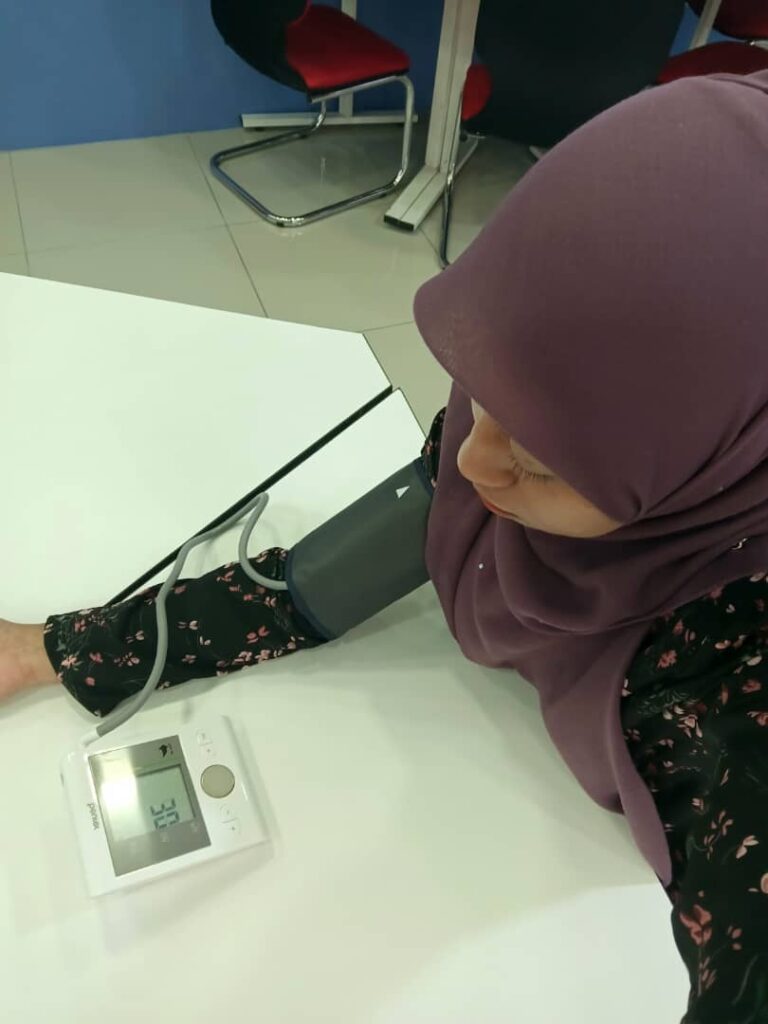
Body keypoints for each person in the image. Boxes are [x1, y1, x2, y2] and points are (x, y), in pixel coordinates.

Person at [3, 70, 768, 1022]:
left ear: (719, 460)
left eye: (542, 459)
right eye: (476, 386)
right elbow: (316, 582)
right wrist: (45, 650)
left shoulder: (734, 657)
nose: (472, 461)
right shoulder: (530, 431)